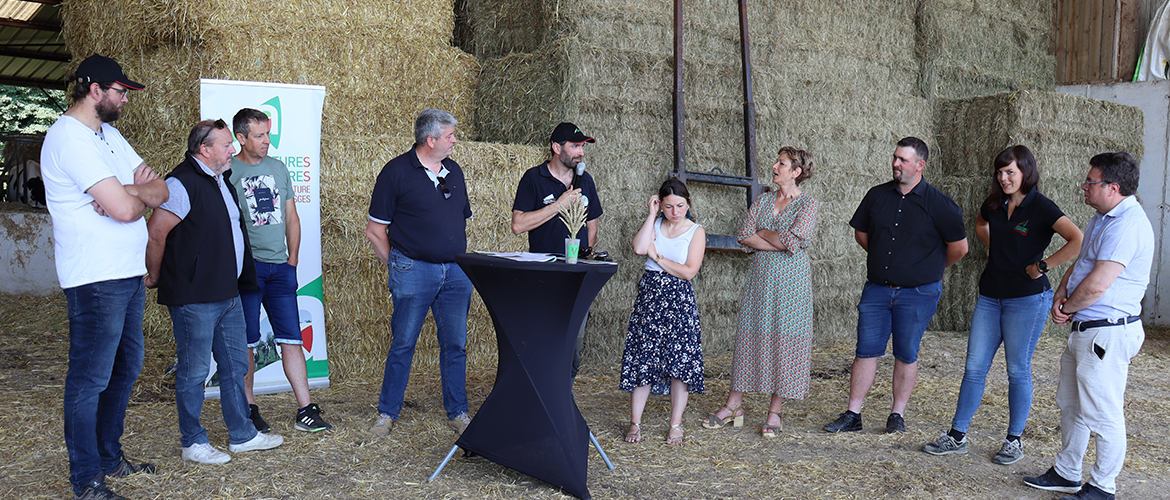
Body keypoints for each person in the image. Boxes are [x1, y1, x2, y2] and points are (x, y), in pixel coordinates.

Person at [41, 54, 167, 500]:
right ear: (94, 89)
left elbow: (161, 190)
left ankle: (108, 457)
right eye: (120, 92)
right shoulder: (69, 138)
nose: (124, 100)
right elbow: (127, 209)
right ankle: (86, 478)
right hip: (95, 278)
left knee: (125, 368)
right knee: (90, 377)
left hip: (127, 274)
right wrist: (131, 195)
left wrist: (128, 190)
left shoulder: (108, 135)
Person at [923, 146, 1083, 463]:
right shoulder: (995, 204)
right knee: (973, 368)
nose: (1003, 177)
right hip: (990, 296)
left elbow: (1077, 239)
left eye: (1010, 171)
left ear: (1026, 172)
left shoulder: (1041, 207)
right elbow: (982, 224)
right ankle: (957, 436)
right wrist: (996, 246)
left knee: (1017, 371)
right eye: (1000, 172)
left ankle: (1014, 440)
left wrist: (1044, 265)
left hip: (1027, 299)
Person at [146, 119, 285, 464]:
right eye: (226, 146)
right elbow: (156, 233)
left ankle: (242, 435)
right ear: (204, 150)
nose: (233, 151)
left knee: (235, 364)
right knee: (194, 370)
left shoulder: (222, 180)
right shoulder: (181, 182)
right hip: (195, 295)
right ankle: (193, 442)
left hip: (228, 292)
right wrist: (154, 275)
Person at [1024, 152, 1153, 500]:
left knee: (1103, 410)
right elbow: (1084, 262)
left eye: (1090, 181)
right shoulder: (1103, 217)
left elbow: (1098, 284)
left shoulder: (1128, 225)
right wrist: (1063, 290)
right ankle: (1067, 471)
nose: (1084, 185)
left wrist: (1068, 305)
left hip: (1107, 329)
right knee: (1072, 403)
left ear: (1112, 187)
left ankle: (1102, 486)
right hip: (1088, 326)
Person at [823, 137, 968, 434]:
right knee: (865, 350)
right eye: (895, 157)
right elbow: (861, 235)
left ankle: (896, 416)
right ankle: (853, 414)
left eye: (903, 160)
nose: (895, 164)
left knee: (906, 352)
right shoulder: (876, 196)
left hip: (918, 293)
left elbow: (960, 248)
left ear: (920, 165)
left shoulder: (941, 205)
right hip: (877, 289)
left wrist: (927, 269)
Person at [365, 109, 475, 437]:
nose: (455, 140)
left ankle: (458, 412)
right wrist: (399, 265)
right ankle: (387, 414)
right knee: (403, 343)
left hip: (456, 272)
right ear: (431, 140)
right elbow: (375, 231)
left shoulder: (454, 171)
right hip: (414, 270)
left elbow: (458, 219)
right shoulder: (396, 172)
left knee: (455, 344)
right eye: (450, 136)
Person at [228, 108, 331, 433]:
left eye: (268, 134)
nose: (266, 141)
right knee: (247, 343)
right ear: (240, 138)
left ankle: (305, 409)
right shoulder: (228, 171)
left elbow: (291, 217)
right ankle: (248, 408)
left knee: (292, 339)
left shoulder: (278, 168)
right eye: (258, 136)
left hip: (282, 269)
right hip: (247, 270)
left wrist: (293, 260)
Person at [702, 147, 818, 438]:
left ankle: (774, 412)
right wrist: (776, 238)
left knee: (784, 339)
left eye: (781, 163)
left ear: (796, 172)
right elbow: (744, 235)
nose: (774, 166)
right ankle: (734, 405)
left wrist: (763, 235)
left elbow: (794, 239)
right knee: (750, 335)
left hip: (792, 285)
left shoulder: (808, 205)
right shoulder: (763, 199)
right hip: (760, 280)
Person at [511, 122, 603, 378]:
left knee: (575, 340)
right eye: (575, 146)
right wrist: (559, 205)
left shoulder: (586, 181)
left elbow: (592, 224)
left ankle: (564, 393)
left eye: (582, 147)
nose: (581, 152)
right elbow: (518, 225)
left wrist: (585, 255)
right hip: (542, 274)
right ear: (556, 147)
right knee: (539, 336)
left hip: (575, 276)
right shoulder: (533, 178)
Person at [620, 178, 706, 445]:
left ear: (688, 204)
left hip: (679, 301)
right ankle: (635, 423)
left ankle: (676, 424)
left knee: (679, 362)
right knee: (644, 357)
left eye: (680, 205)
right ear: (661, 205)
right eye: (668, 206)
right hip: (651, 299)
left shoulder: (696, 231)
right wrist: (651, 215)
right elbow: (637, 247)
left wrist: (657, 257)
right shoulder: (656, 224)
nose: (675, 212)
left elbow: (689, 271)